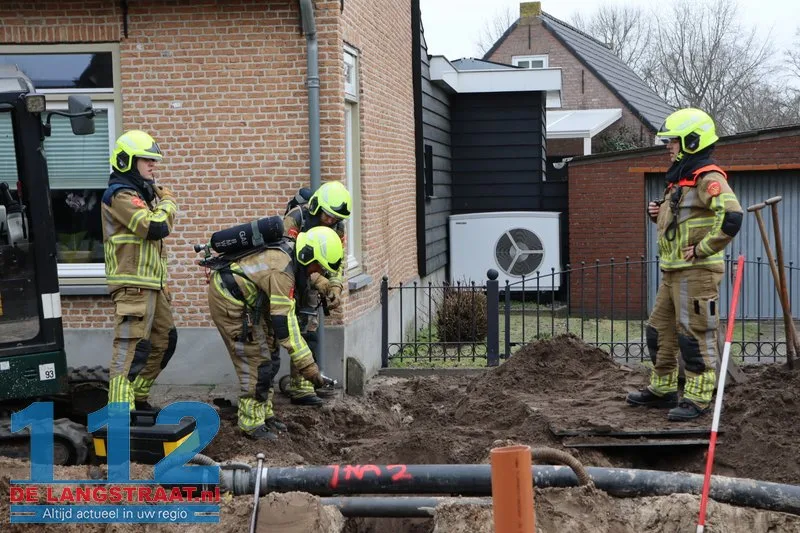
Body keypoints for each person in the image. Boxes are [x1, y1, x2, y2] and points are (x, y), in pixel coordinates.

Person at [626, 108, 743, 421]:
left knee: (695, 336)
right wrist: (657, 213)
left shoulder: (708, 177)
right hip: (673, 271)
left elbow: (732, 216)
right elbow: (683, 219)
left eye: (674, 140)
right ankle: (662, 389)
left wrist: (704, 248)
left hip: (697, 274)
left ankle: (698, 398)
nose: (669, 146)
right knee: (659, 331)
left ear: (692, 141)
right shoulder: (682, 178)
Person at [207, 225, 343, 440]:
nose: (316, 271)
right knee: (257, 360)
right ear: (309, 255)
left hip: (253, 301)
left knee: (271, 355)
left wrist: (329, 287)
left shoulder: (294, 253)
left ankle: (264, 413)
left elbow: (309, 275)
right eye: (317, 266)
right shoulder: (281, 271)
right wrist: (308, 366)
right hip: (231, 301)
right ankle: (251, 423)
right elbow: (285, 323)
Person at [101, 130, 178, 412]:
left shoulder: (140, 195)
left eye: (153, 160)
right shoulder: (120, 195)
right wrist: (168, 202)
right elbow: (154, 227)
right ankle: (120, 410)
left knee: (165, 341)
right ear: (126, 161)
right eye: (146, 159)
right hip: (132, 286)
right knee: (130, 348)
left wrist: (161, 282)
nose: (152, 164)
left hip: (151, 285)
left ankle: (138, 398)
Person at [282, 181, 351, 406]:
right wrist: (314, 277)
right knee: (284, 330)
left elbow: (337, 259)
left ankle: (303, 387)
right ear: (317, 206)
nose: (331, 221)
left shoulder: (338, 227)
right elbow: (284, 254)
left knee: (308, 331)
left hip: (312, 285)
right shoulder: (296, 218)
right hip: (287, 279)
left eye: (335, 218)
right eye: (328, 215)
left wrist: (335, 286)